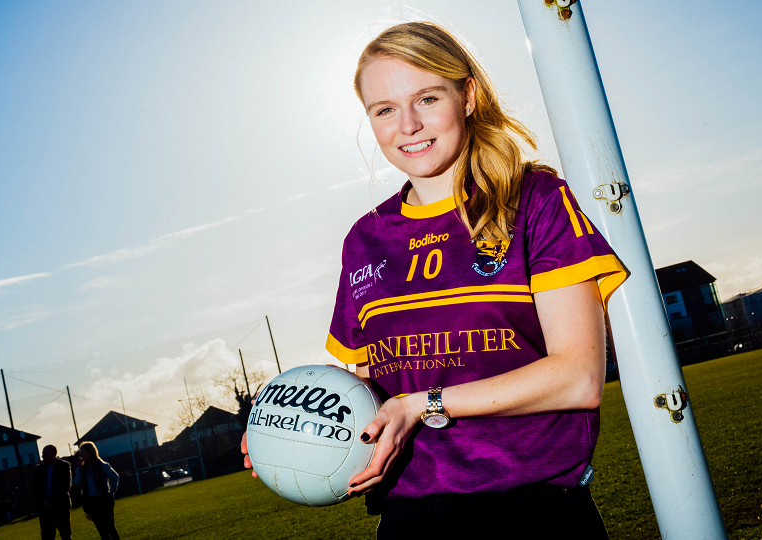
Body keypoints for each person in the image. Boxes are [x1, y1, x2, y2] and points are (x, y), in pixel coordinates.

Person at [243, 21, 628, 539]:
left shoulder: (533, 200)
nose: (407, 125)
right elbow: (373, 390)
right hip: (409, 521)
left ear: (467, 96)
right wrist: (291, 424)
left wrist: (423, 405)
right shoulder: (365, 239)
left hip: (532, 512)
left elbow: (578, 377)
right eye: (384, 110)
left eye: (426, 98)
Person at [73, 441, 121, 540]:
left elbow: (115, 477)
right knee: (102, 530)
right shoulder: (83, 468)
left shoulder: (102, 465)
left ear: (90, 452)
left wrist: (111, 492)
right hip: (91, 501)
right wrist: (80, 468)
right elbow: (79, 483)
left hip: (103, 500)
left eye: (83, 453)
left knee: (110, 527)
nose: (81, 456)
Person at [31, 445, 72, 540]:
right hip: (45, 510)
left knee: (66, 535)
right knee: (47, 536)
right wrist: (43, 501)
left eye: (44, 454)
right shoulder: (39, 469)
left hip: (61, 507)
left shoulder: (64, 465)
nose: (42, 456)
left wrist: (51, 501)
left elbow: (65, 486)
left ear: (53, 454)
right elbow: (35, 488)